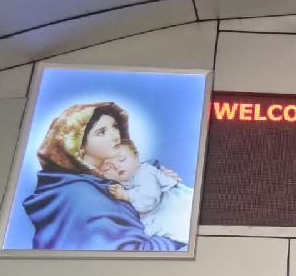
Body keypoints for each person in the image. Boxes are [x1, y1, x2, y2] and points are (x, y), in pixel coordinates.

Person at [22, 102, 185, 251]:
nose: (115, 136)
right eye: (101, 132)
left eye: (115, 126)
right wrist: (180, 233)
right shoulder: (81, 193)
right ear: (77, 145)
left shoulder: (106, 178)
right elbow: (128, 253)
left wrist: (157, 177)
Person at [101, 140, 194, 244]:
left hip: (174, 207)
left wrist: (127, 195)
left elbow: (149, 200)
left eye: (122, 160)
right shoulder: (122, 184)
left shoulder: (144, 173)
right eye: (108, 167)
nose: (117, 166)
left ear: (136, 158)